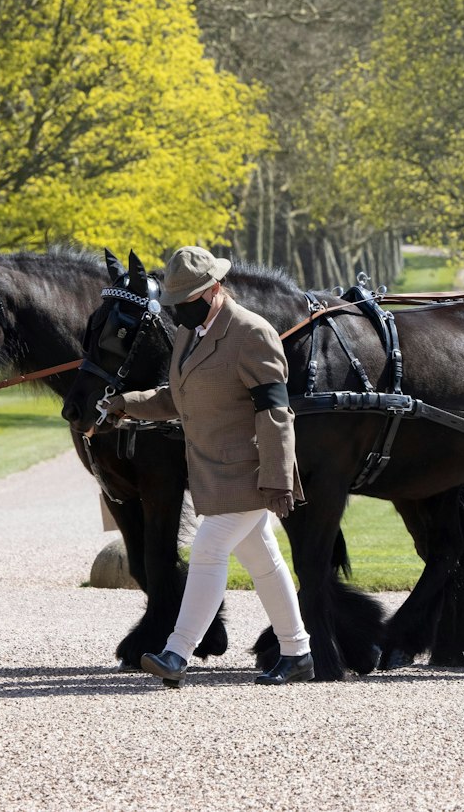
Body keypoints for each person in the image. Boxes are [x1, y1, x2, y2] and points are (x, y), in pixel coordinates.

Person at [97, 245, 312, 688]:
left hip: (248, 474)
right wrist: (124, 405)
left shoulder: (252, 332)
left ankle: (177, 653)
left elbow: (275, 412)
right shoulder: (186, 335)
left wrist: (276, 478)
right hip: (211, 473)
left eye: (188, 302)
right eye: (176, 305)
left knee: (208, 551)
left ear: (214, 290)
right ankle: (298, 652)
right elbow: (174, 398)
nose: (181, 312)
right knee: (265, 563)